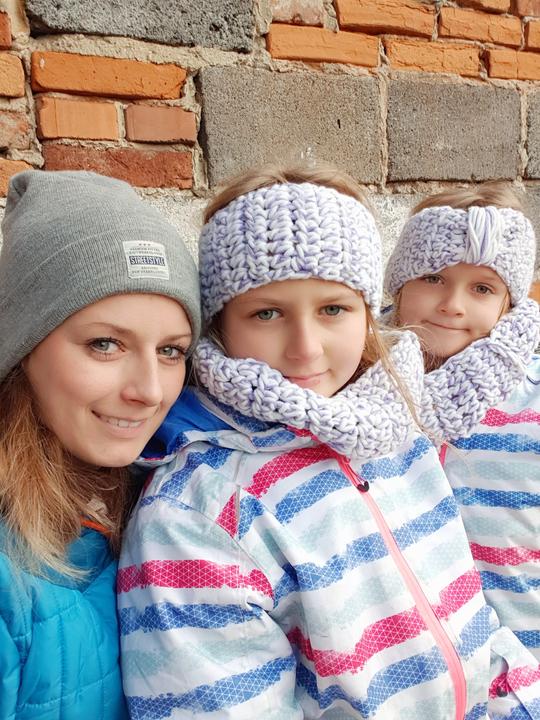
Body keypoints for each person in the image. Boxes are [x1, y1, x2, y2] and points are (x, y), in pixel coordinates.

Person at [119, 164, 540, 720]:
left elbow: (474, 629)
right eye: (267, 313)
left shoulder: (397, 432)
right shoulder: (197, 515)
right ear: (221, 324)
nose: (306, 348)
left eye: (333, 309)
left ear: (367, 313)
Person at [0, 170, 201, 720]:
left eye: (171, 351)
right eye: (106, 344)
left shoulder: (174, 499)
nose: (149, 391)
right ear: (22, 348)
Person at [384, 183, 540, 664]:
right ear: (399, 285)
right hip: (418, 670)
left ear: (507, 304)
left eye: (482, 288)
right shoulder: (362, 392)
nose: (452, 304)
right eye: (433, 277)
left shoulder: (532, 404)